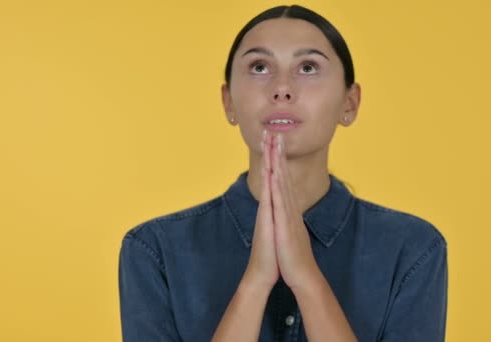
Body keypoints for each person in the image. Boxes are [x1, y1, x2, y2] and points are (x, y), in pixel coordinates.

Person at [118, 4, 447, 341]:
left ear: (350, 103)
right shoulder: (154, 250)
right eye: (260, 67)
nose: (282, 88)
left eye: (308, 67)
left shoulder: (413, 249)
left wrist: (305, 276)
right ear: (228, 101)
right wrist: (256, 280)